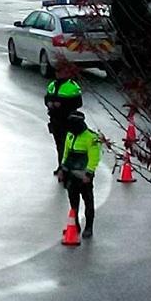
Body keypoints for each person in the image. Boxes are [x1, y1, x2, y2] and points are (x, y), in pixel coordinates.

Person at [57, 111, 101, 239]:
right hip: (71, 174)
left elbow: (94, 157)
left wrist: (89, 173)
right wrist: (62, 169)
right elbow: (66, 154)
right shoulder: (70, 135)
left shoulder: (91, 138)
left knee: (88, 201)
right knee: (73, 202)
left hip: (83, 175)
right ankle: (74, 225)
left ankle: (89, 227)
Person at [45, 70, 83, 175]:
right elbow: (47, 97)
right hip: (55, 120)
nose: (58, 73)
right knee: (59, 145)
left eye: (60, 71)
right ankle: (61, 166)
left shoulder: (72, 86)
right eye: (57, 71)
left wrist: (61, 104)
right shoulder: (52, 85)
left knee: (67, 145)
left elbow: (78, 103)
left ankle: (67, 168)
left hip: (68, 121)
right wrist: (49, 103)